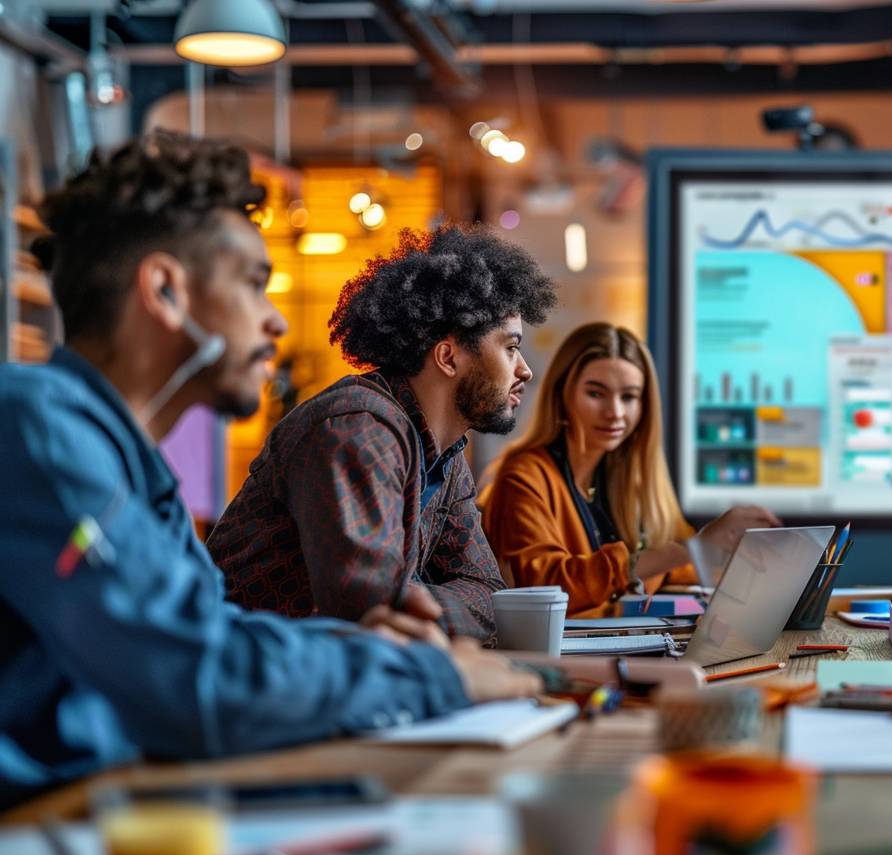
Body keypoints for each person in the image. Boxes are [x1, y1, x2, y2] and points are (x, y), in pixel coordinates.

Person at [0, 133, 539, 809]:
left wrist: (378, 658)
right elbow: (193, 676)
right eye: (254, 284)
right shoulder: (37, 432)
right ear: (165, 291)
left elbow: (214, 638)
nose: (278, 319)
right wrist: (429, 674)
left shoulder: (139, 478)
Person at [208, 225, 557, 639]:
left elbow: (487, 592)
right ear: (448, 357)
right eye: (510, 347)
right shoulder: (357, 428)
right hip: (246, 683)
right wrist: (421, 605)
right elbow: (373, 615)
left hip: (324, 682)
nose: (525, 370)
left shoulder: (445, 453)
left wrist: (415, 603)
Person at [479, 323, 781, 614]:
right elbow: (546, 587)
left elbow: (680, 572)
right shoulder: (523, 477)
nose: (615, 413)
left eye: (629, 397)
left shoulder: (631, 482)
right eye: (596, 393)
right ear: (562, 395)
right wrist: (689, 549)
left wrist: (740, 559)